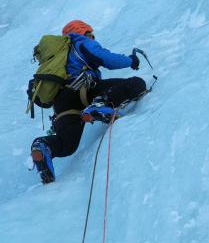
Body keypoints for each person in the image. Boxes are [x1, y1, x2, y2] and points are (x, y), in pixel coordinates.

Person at [30, 20, 146, 184]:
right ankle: (100, 105)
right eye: (90, 34)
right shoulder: (79, 42)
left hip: (62, 104)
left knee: (67, 144)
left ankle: (44, 146)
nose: (92, 38)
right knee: (136, 84)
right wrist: (131, 60)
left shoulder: (58, 57)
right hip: (84, 88)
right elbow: (105, 58)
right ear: (82, 31)